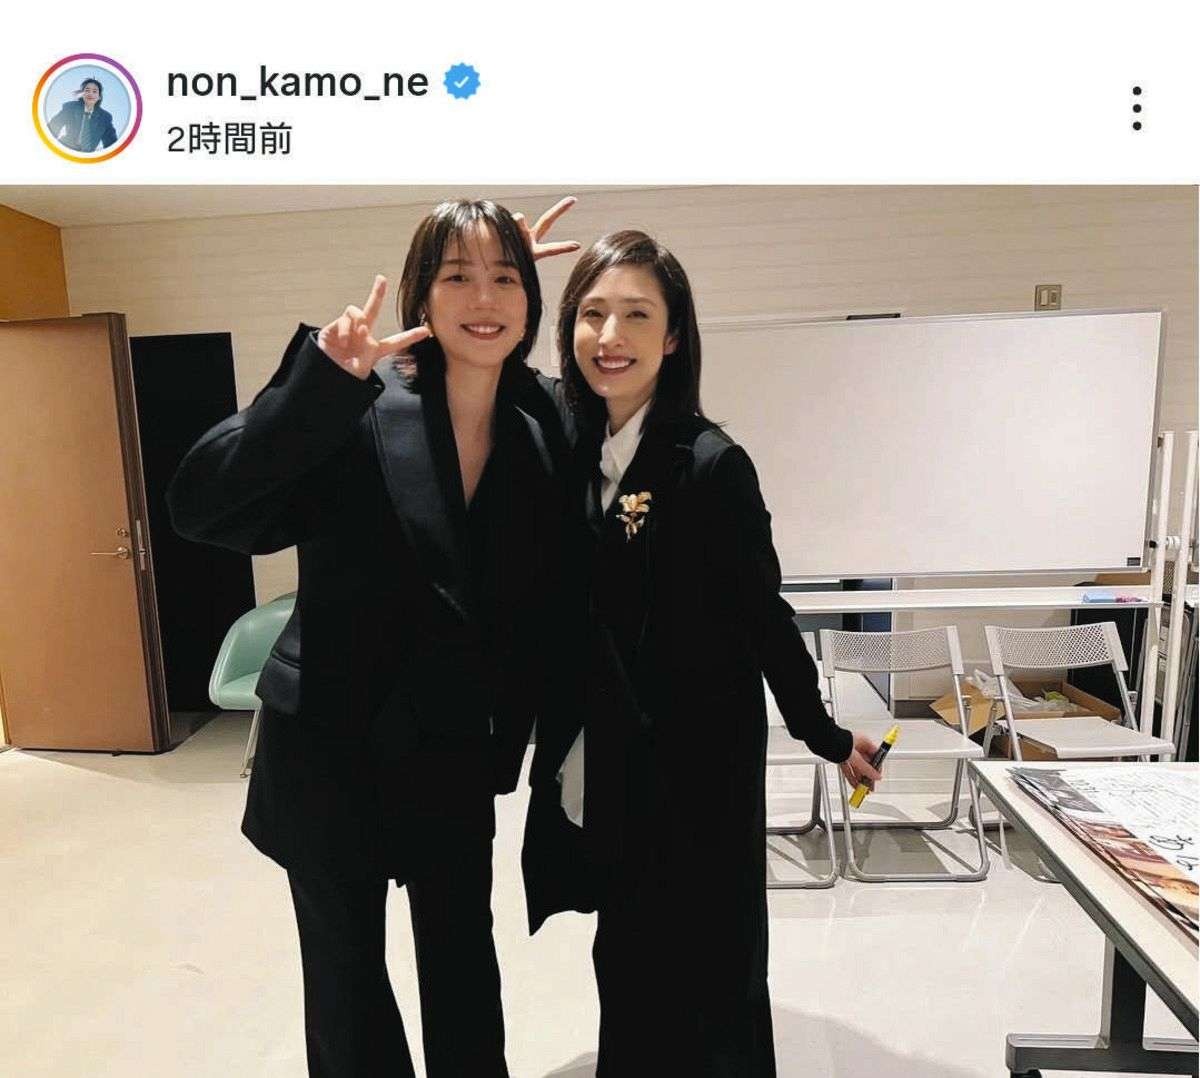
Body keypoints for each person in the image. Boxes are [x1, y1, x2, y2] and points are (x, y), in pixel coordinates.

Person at [167, 198, 578, 1078]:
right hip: (329, 748)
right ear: (419, 294)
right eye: (457, 276)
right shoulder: (355, 400)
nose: (484, 298)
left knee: (464, 968)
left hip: (456, 752)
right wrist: (319, 382)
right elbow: (203, 506)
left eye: (506, 279)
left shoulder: (540, 421)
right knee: (346, 980)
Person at [522, 230, 884, 1076]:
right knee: (626, 952)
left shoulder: (711, 464)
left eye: (636, 315)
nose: (610, 336)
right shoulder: (571, 448)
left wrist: (827, 735)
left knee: (711, 958)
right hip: (613, 752)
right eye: (592, 314)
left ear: (674, 334)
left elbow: (764, 617)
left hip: (699, 761)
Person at [47, 77, 118, 152]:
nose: (90, 93)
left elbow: (112, 144)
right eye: (87, 90)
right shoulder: (71, 107)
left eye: (94, 91)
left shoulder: (105, 118)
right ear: (82, 94)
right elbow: (53, 127)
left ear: (99, 97)